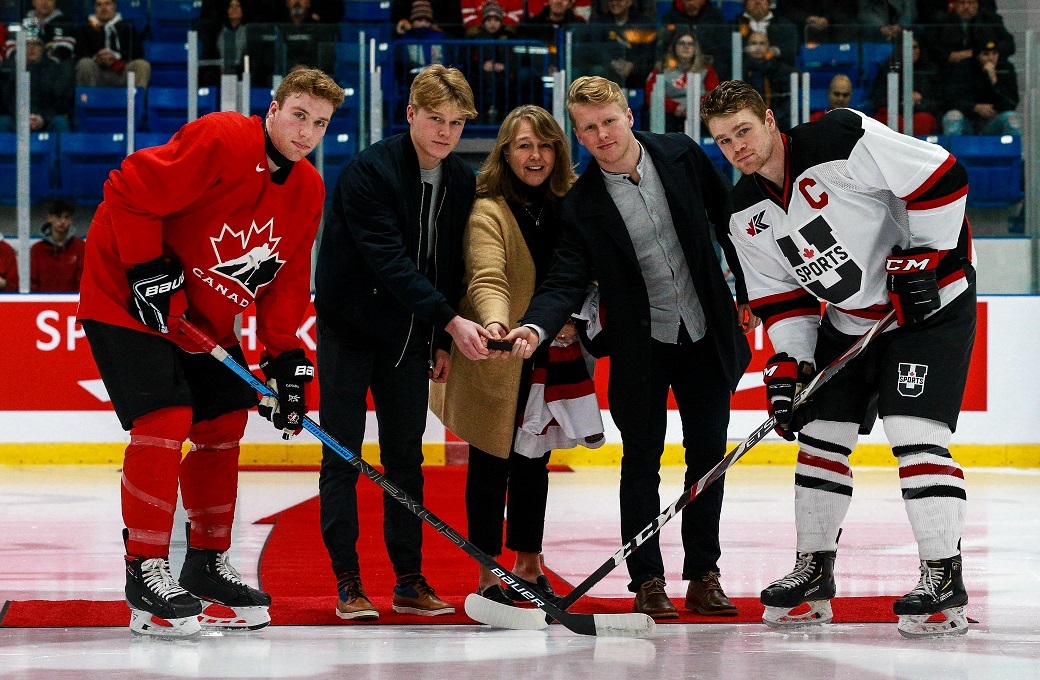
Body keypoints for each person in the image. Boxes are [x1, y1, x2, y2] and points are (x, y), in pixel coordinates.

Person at [76, 68, 345, 638]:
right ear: (272, 109)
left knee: (223, 419)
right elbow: (127, 188)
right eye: (298, 114)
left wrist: (283, 354)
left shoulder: (308, 189)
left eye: (320, 123)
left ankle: (205, 563)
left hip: (200, 317)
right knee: (165, 417)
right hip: (123, 297)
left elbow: (289, 276)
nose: (306, 132)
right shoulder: (223, 138)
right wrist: (147, 270)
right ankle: (145, 568)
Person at [702, 80, 975, 638]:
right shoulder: (745, 210)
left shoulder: (840, 137)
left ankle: (944, 576)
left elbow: (943, 175)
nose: (737, 148)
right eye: (723, 141)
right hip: (851, 322)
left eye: (744, 131)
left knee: (913, 432)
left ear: (771, 120)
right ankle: (814, 572)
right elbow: (782, 299)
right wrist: (789, 366)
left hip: (926, 311)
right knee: (820, 434)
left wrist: (924, 256)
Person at [503, 76, 752, 620]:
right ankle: (648, 580)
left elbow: (733, 223)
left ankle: (704, 573)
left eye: (608, 121)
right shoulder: (582, 204)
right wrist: (534, 328)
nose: (601, 134)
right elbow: (564, 281)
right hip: (643, 348)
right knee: (641, 460)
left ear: (629, 116)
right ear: (579, 134)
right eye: (588, 128)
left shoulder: (682, 156)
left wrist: (752, 289)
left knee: (708, 457)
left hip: (706, 336)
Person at [314, 65, 489, 621]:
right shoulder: (369, 172)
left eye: (457, 123)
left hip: (411, 336)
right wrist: (451, 321)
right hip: (349, 331)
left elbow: (450, 265)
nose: (445, 132)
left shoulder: (461, 180)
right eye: (435, 119)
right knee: (342, 453)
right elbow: (387, 260)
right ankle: (348, 583)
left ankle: (408, 581)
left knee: (405, 461)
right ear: (410, 114)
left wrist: (439, 334)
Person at [429, 105, 585, 606]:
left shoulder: (573, 203)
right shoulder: (487, 206)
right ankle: (487, 572)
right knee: (490, 459)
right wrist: (496, 322)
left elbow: (584, 272)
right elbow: (486, 272)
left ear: (557, 151)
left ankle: (529, 564)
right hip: (496, 351)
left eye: (544, 145)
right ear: (505, 151)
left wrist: (572, 318)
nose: (534, 155)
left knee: (533, 461)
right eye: (523, 145)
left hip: (548, 349)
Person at [939, 38, 1019, 137]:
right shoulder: (963, 69)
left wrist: (994, 79)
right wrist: (975, 107)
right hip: (967, 121)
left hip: (992, 123)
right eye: (986, 54)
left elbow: (1012, 103)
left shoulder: (1006, 69)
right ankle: (951, 152)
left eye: (994, 53)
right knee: (952, 116)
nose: (991, 58)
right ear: (977, 56)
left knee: (1011, 118)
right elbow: (951, 100)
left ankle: (1010, 152)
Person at [0, 26, 73, 133]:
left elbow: (61, 101)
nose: (32, 48)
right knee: (3, 122)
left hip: (45, 121)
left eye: (36, 44)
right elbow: (4, 101)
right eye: (27, 44)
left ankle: (66, 150)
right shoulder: (8, 69)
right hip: (15, 119)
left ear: (43, 48)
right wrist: (21, 117)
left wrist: (43, 118)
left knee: (60, 122)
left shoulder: (55, 69)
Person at [644, 30, 719, 134]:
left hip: (698, 114)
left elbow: (713, 96)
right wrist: (674, 107)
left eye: (690, 44)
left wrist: (694, 107)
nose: (686, 46)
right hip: (669, 114)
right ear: (674, 47)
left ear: (695, 48)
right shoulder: (661, 69)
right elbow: (651, 96)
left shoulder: (707, 70)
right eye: (681, 43)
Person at [869, 37, 939, 135]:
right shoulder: (888, 69)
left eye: (915, 47)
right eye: (908, 47)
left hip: (920, 110)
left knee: (924, 119)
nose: (912, 51)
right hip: (894, 111)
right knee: (894, 121)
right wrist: (902, 100)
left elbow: (937, 100)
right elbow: (877, 99)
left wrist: (919, 100)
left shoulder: (929, 70)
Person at [74, 0, 151, 88]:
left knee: (142, 65)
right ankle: (87, 100)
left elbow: (137, 53)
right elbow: (80, 52)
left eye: (107, 3)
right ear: (94, 8)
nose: (103, 8)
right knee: (84, 63)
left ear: (114, 6)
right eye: (99, 4)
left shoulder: (127, 28)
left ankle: (137, 100)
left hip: (121, 72)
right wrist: (97, 57)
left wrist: (115, 56)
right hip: (96, 72)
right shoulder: (84, 29)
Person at [741, 30, 794, 131]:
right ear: (747, 47)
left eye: (762, 43)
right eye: (753, 43)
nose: (757, 47)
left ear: (769, 47)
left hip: (774, 118)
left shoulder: (780, 69)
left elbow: (784, 102)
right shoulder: (738, 69)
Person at [30, 198, 85, 292]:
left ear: (71, 220)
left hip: (72, 301)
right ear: (50, 218)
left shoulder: (81, 247)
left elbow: (83, 280)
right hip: (42, 302)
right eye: (58, 217)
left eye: (66, 217)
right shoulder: (37, 249)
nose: (63, 221)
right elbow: (33, 281)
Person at [734, 0, 798, 66]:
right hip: (743, 69)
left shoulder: (784, 24)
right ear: (745, 3)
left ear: (769, 3)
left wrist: (774, 51)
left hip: (776, 69)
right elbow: (727, 49)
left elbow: (792, 47)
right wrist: (746, 50)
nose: (757, 2)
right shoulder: (734, 24)